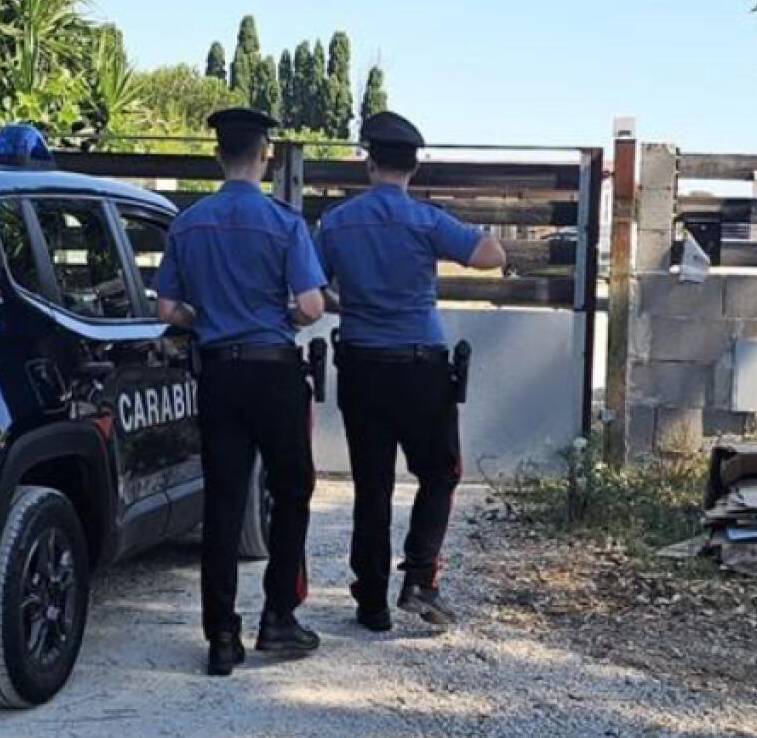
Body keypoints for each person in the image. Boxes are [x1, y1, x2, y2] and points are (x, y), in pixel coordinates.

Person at [315, 111, 506, 632]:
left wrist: (346, 304)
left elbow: (310, 289)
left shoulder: (336, 223)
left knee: (372, 484)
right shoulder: (427, 220)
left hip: (361, 366)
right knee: (440, 473)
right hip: (422, 367)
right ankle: (421, 579)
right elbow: (491, 255)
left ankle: (371, 600)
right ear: (414, 168)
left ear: (369, 163)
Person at [156, 106, 326, 677]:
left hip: (218, 374)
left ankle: (221, 637)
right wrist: (285, 317)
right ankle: (278, 616)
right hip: (274, 372)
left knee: (224, 502)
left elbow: (166, 309)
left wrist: (206, 317)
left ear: (217, 157)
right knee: (292, 490)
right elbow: (310, 306)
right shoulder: (285, 223)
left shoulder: (188, 224)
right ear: (266, 157)